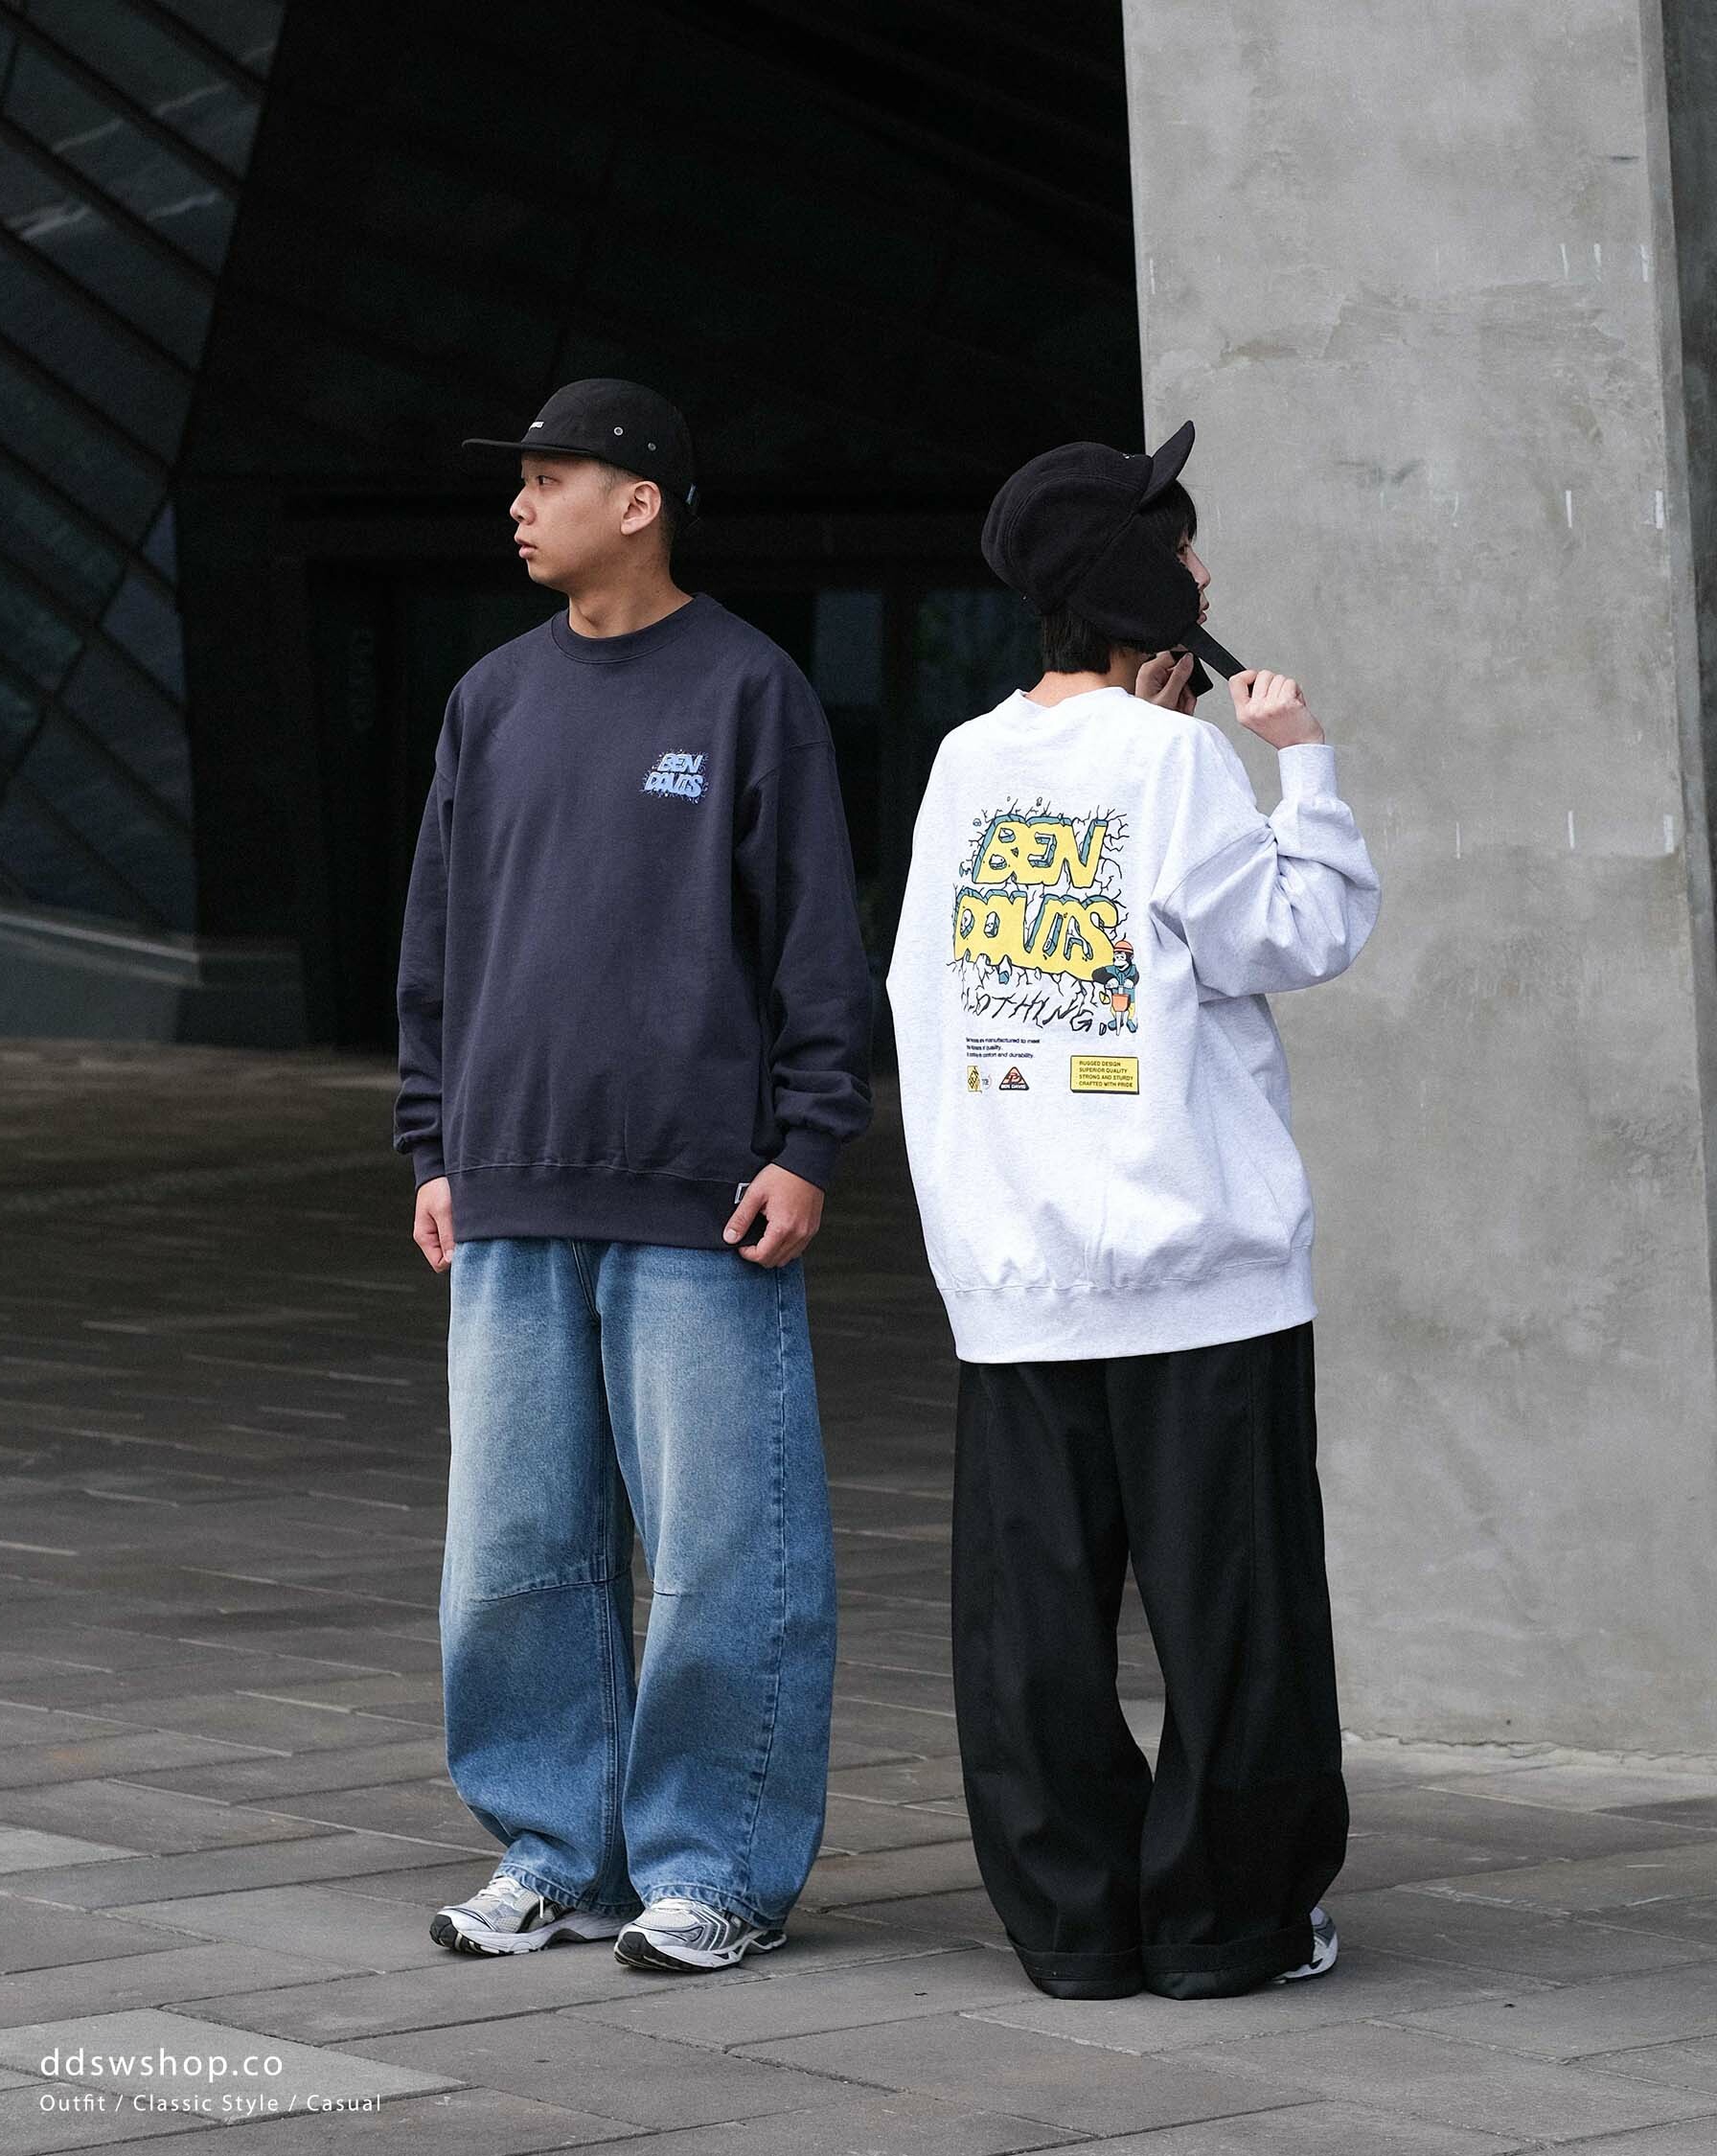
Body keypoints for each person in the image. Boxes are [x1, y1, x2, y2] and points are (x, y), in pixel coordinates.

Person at [884, 425, 1381, 2002]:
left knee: (1031, 1620)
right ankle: (1230, 1922)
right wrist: (1302, 762)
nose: (1202, 571)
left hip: (1018, 1271)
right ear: (1127, 576)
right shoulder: (1179, 763)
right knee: (1234, 1613)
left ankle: (1076, 1923)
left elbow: (924, 998)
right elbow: (1296, 931)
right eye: (1178, 547)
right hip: (1197, 1268)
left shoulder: (967, 763)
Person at [393, 379, 872, 1973]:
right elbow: (436, 939)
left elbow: (816, 940)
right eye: (520, 481)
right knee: (510, 1559)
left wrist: (809, 1140)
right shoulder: (489, 699)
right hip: (509, 1188)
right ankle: (556, 1852)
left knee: (727, 1556)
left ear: (642, 498)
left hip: (701, 1197)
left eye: (550, 478)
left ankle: (715, 1866)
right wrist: (432, 1142)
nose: (519, 505)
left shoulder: (748, 689)